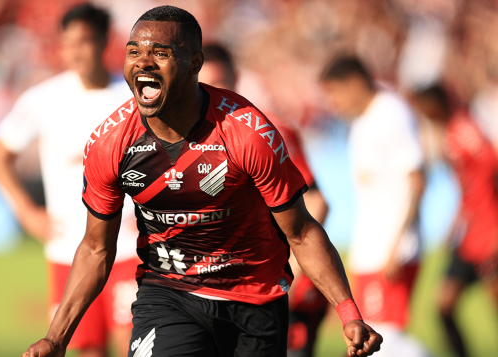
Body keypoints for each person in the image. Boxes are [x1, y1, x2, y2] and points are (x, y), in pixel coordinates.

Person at [23, 6, 383, 357]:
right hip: (168, 294)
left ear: (194, 64)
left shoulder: (247, 134)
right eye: (134, 52)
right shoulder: (110, 143)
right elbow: (95, 248)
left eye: (160, 53)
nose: (143, 62)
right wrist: (56, 338)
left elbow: (301, 232)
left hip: (254, 298)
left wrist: (349, 313)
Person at [0, 4, 137, 357]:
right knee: (86, 350)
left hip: (129, 245)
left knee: (134, 346)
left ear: (104, 42)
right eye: (67, 43)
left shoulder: (130, 97)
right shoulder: (44, 98)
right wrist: (25, 211)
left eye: (83, 41)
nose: (74, 51)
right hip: (67, 249)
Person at [199, 42, 330, 357]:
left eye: (222, 84)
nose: (215, 94)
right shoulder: (192, 139)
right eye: (206, 86)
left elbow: (316, 202)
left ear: (237, 79)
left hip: (280, 283)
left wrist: (296, 271)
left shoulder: (268, 130)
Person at [320, 56, 428, 357]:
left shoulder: (390, 113)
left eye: (336, 93)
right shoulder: (362, 123)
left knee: (383, 338)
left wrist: (397, 244)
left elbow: (417, 179)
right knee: (371, 339)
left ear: (355, 82)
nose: (334, 103)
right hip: (371, 250)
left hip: (389, 249)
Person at [412, 84, 498, 357]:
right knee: (443, 304)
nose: (422, 113)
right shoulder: (450, 133)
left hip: (490, 234)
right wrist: (456, 223)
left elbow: (492, 169)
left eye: (423, 107)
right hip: (470, 237)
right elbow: (469, 187)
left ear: (435, 104)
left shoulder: (465, 130)